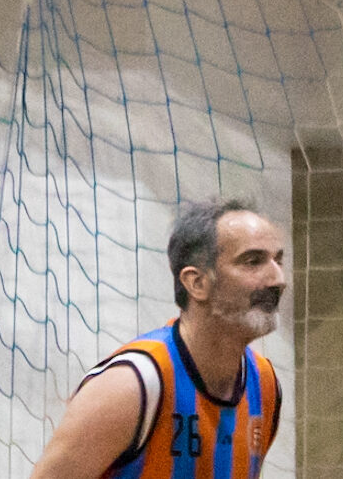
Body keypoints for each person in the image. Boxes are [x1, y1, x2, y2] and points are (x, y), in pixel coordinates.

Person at [29, 199, 287, 479]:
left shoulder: (264, 383)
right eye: (252, 261)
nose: (278, 279)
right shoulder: (130, 385)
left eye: (278, 260)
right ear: (197, 283)